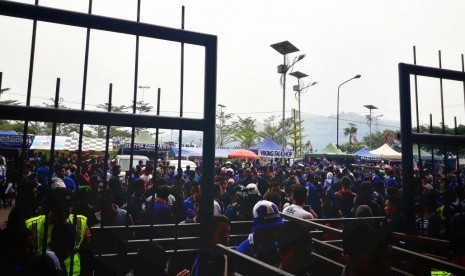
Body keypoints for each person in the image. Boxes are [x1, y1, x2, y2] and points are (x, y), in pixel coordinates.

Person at [236, 200, 284, 265]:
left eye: (277, 228)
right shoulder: (242, 253)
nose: (276, 233)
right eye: (271, 229)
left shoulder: (277, 247)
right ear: (260, 230)